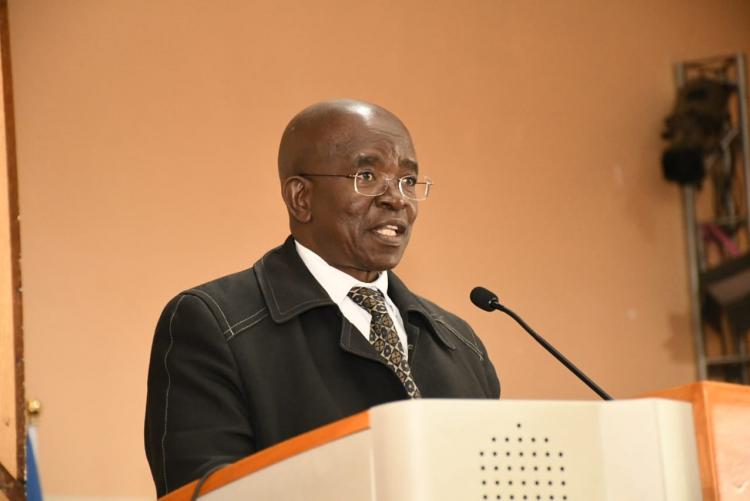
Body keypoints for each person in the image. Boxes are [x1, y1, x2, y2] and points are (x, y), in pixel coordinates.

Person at [144, 99, 500, 496]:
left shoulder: (460, 344)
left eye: (408, 182)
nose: (397, 199)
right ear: (301, 198)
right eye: (367, 175)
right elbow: (204, 490)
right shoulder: (214, 323)